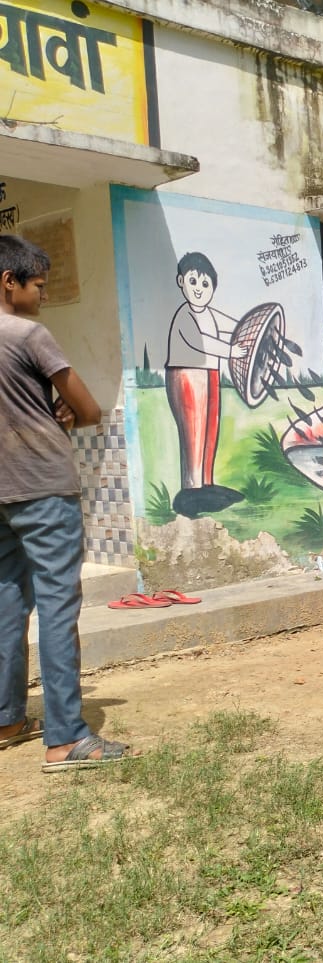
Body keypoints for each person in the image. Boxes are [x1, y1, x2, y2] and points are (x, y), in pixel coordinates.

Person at [0, 235, 139, 771]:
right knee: (58, 607)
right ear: (8, 282)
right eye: (37, 285)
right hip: (43, 486)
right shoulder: (28, 335)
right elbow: (90, 409)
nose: (42, 295)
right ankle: (65, 738)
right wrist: (65, 411)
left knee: (7, 602)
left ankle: (7, 718)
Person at [164, 251, 248, 518]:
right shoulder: (184, 315)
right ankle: (191, 490)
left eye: (205, 284)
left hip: (209, 374)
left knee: (210, 429)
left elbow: (233, 326)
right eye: (193, 281)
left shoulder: (209, 314)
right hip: (187, 375)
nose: (199, 289)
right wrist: (231, 351)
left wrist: (248, 331)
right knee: (194, 431)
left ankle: (206, 483)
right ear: (181, 281)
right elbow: (201, 341)